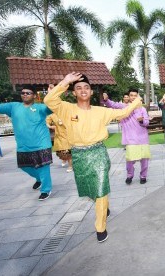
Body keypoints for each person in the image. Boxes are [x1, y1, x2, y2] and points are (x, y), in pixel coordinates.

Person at [44, 72, 142, 242]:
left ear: (91, 92)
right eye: (79, 88)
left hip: (98, 154)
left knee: (100, 189)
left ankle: (100, 226)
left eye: (86, 88)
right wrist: (65, 81)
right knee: (89, 191)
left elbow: (122, 113)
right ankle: (104, 206)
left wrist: (136, 103)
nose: (83, 90)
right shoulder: (66, 108)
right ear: (74, 92)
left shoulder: (100, 111)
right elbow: (49, 101)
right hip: (79, 155)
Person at [0, 85, 53, 200]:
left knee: (43, 167)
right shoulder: (13, 106)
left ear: (34, 96)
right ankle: (40, 179)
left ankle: (46, 189)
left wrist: (51, 96)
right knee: (24, 166)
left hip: (42, 143)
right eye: (23, 93)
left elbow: (52, 107)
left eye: (28, 93)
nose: (25, 94)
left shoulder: (40, 108)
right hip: (23, 145)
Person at [103, 89, 150, 185]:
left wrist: (141, 121)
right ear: (128, 97)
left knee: (144, 161)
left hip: (142, 138)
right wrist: (107, 100)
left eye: (135, 95)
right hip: (130, 139)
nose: (133, 97)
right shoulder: (124, 107)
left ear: (138, 97)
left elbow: (147, 122)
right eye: (131, 95)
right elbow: (113, 105)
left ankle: (143, 176)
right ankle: (129, 176)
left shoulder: (142, 109)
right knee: (130, 160)